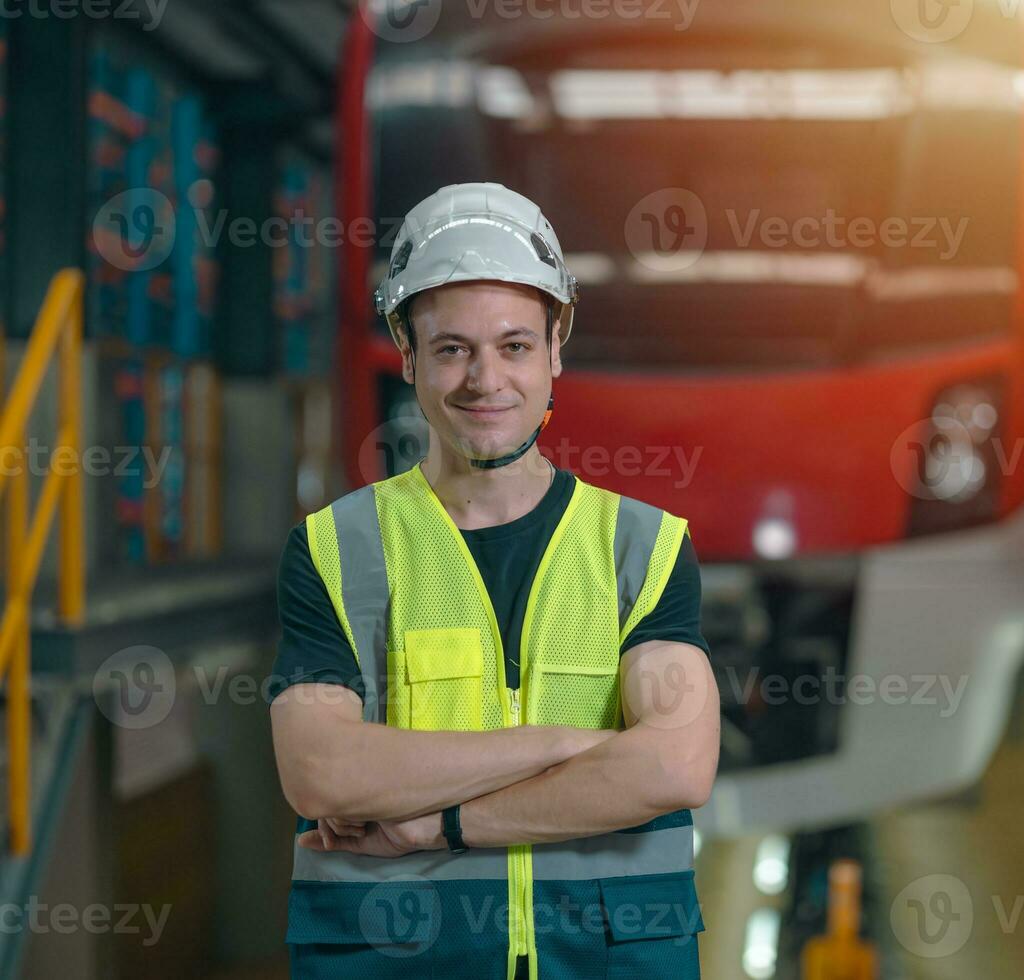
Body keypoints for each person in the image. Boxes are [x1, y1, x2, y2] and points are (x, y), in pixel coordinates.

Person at [268, 183, 719, 980]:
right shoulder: (336, 548)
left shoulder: (643, 548)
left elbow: (674, 767)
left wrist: (442, 823)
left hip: (610, 960)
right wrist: (562, 744)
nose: (486, 380)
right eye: (452, 349)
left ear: (555, 352)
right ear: (407, 355)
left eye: (514, 346)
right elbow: (323, 770)